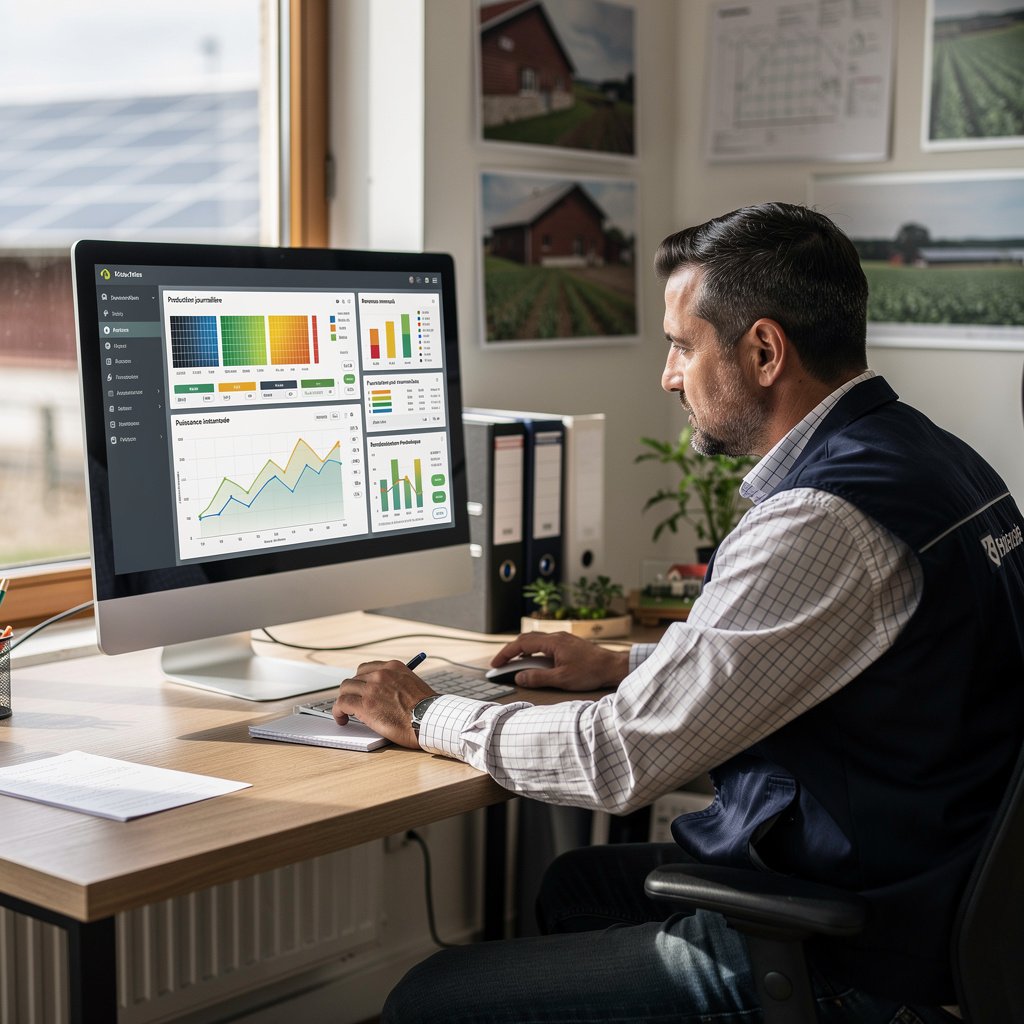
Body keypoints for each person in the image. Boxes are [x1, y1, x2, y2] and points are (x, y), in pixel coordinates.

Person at [333, 202, 1024, 1023]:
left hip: (859, 952)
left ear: (764, 350)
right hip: (936, 891)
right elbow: (812, 655)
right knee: (578, 888)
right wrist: (620, 664)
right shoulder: (932, 458)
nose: (668, 376)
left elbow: (619, 759)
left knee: (423, 1001)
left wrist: (431, 715)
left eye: (680, 345)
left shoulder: (821, 517)